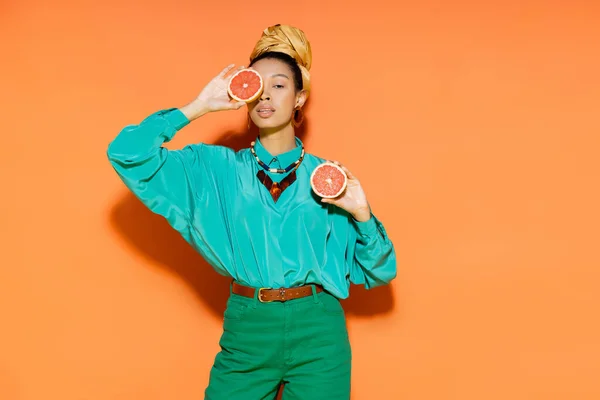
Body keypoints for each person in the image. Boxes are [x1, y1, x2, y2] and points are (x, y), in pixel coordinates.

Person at [107, 24, 396, 400]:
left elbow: (380, 271)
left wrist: (362, 215)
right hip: (248, 327)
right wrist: (198, 107)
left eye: (278, 85)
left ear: (298, 98)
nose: (265, 95)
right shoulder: (214, 170)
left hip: (319, 332)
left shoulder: (330, 178)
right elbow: (127, 153)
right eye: (255, 84)